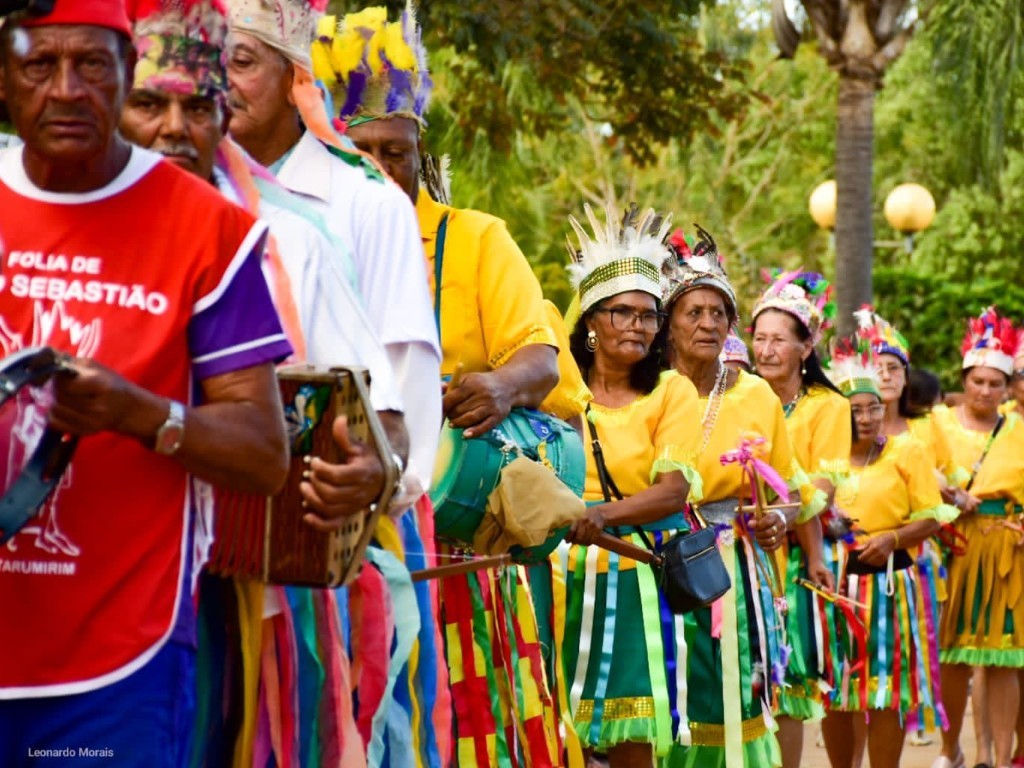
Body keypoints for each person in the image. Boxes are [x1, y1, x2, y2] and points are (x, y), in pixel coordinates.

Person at [118, 3, 425, 764]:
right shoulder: (35, 226)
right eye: (150, 102)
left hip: (234, 607)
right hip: (74, 591)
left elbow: (387, 416)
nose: (173, 128)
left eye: (200, 103)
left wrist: (372, 468)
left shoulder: (288, 241)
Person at [0, 1, 296, 762]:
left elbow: (264, 453)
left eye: (92, 65)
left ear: (127, 69)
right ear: (3, 79)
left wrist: (140, 412)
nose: (66, 89)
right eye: (39, 65)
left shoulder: (209, 230)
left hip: (118, 665)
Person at [314, 8, 585, 766]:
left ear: (419, 154)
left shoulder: (474, 236)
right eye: (360, 150)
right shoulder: (306, 234)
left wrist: (500, 386)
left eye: (395, 152)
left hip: (453, 544)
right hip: (328, 538)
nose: (379, 168)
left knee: (467, 733)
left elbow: (542, 358)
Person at [225, 0, 440, 504]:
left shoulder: (370, 203)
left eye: (242, 62)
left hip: (332, 512)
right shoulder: (195, 192)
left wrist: (377, 479)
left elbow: (404, 392)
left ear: (294, 77)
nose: (222, 82)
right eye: (211, 64)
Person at [551, 204, 702, 766]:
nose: (639, 325)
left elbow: (672, 490)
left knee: (632, 725)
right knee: (554, 718)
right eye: (623, 313)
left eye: (649, 315)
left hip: (637, 575)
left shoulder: (670, 390)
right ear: (591, 322)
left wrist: (599, 516)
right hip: (557, 572)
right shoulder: (558, 389)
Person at [661, 227, 816, 767]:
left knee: (737, 700)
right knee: (671, 700)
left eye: (719, 313)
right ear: (669, 322)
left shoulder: (755, 394)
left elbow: (789, 491)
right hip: (659, 561)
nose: (708, 323)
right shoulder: (651, 389)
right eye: (694, 312)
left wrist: (779, 519)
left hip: (735, 571)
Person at [819, 337, 952, 768]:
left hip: (890, 586)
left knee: (886, 690)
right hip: (835, 588)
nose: (865, 418)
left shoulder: (907, 450)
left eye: (873, 408)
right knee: (836, 688)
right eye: (855, 409)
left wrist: (893, 538)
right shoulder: (825, 457)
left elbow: (932, 517)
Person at [751, 269, 847, 768]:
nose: (765, 350)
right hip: (737, 546)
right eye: (759, 338)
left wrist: (782, 517)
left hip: (790, 556)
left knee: (786, 678)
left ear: (806, 348)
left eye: (778, 340)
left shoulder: (827, 406)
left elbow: (821, 487)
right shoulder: (741, 394)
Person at [934, 307, 1024, 768]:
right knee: (952, 655)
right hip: (952, 545)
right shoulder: (938, 423)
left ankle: (1002, 757)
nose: (985, 390)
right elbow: (915, 469)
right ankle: (951, 749)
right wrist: (945, 489)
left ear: (1007, 388)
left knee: (1002, 656)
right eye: (978, 381)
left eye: (995, 383)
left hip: (1005, 548)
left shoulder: (1019, 430)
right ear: (964, 381)